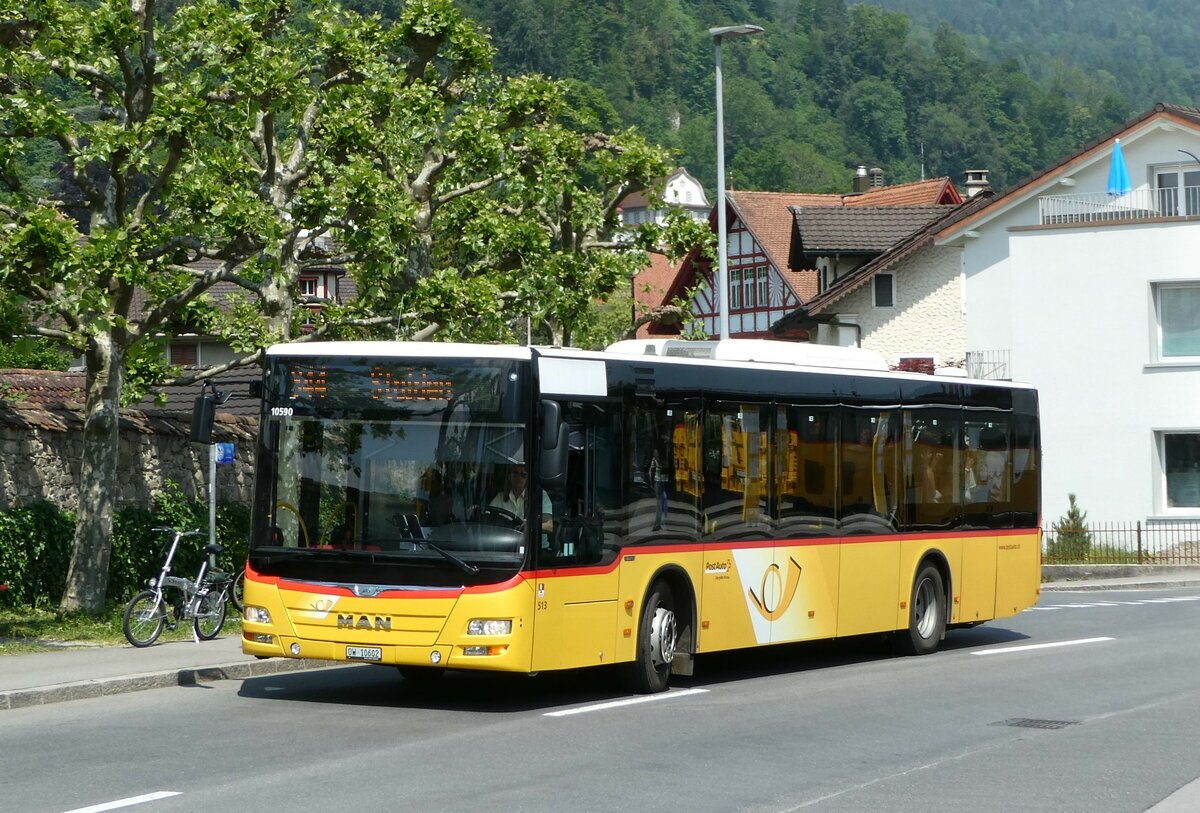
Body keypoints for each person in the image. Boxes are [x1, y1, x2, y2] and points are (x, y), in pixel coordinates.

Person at [490, 465, 552, 534]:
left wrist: (530, 527)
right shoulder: (500, 497)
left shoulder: (540, 496)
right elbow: (488, 517)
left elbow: (549, 526)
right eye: (515, 474)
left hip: (532, 543)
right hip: (505, 541)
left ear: (528, 478)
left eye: (524, 475)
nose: (519, 477)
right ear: (509, 476)